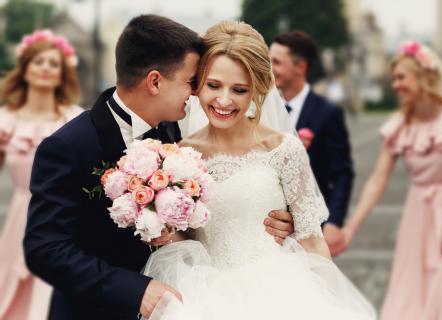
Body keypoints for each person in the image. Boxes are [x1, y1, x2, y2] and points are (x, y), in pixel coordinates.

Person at [23, 15, 293, 320]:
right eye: (192, 82)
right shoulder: (69, 146)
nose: (195, 93)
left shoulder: (173, 134)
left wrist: (270, 218)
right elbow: (45, 248)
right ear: (155, 81)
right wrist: (134, 290)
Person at [143, 20, 376, 320]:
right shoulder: (180, 157)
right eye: (213, 85)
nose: (224, 100)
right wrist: (160, 229)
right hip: (207, 299)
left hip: (280, 294)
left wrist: (331, 303)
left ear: (257, 90)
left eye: (239, 89)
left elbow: (311, 240)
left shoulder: (284, 150)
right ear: (197, 83)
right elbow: (184, 241)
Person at [342, 41, 442, 319]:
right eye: (393, 78)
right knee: (408, 298)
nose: (395, 84)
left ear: (425, 78)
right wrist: (350, 229)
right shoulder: (399, 125)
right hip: (417, 220)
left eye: (401, 77)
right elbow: (377, 180)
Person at [0, 29, 83, 320]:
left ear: (63, 73)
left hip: (63, 220)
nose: (46, 68)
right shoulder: (5, 120)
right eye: (38, 62)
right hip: (19, 219)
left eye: (53, 63)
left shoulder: (74, 118)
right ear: (25, 69)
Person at [269, 31, 354, 256]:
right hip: (269, 228)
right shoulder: (263, 111)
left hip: (311, 227)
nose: (269, 68)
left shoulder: (328, 113)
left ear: (300, 67)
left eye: (276, 62)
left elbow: (342, 173)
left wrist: (335, 222)